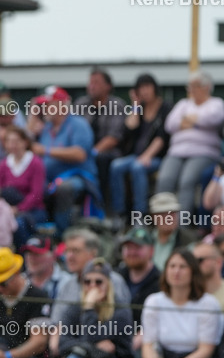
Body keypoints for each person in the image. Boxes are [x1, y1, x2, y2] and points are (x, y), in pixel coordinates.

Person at [29, 87, 99, 235]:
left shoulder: (78, 124)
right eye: (43, 105)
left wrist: (46, 150)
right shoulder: (46, 127)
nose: (44, 108)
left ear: (61, 105)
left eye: (48, 104)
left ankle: (63, 234)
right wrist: (33, 114)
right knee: (34, 186)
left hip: (79, 177)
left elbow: (79, 154)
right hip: (50, 178)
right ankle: (39, 230)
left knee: (64, 188)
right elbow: (25, 141)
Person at [155, 69, 223, 215]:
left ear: (206, 87)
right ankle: (160, 222)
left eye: (195, 86)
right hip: (176, 152)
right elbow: (170, 124)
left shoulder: (216, 103)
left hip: (203, 153)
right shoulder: (183, 103)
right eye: (190, 86)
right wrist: (197, 122)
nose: (191, 90)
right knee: (165, 180)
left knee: (187, 181)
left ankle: (181, 226)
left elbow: (211, 118)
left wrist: (187, 120)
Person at [108, 74, 170, 219]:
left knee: (137, 167)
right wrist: (135, 104)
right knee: (116, 166)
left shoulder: (165, 107)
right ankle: (120, 213)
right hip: (136, 155)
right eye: (141, 88)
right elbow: (130, 127)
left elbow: (162, 137)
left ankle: (139, 215)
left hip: (157, 157)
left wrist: (147, 156)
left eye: (147, 87)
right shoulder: (139, 108)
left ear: (155, 88)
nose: (145, 91)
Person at [74, 67, 127, 202]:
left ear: (108, 86)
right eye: (90, 82)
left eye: (96, 82)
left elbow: (114, 137)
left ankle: (102, 205)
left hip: (108, 152)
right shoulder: (80, 104)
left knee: (101, 160)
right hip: (82, 151)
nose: (92, 86)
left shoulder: (118, 105)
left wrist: (92, 152)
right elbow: (71, 128)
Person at [148, 192, 200, 272]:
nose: (168, 218)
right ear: (153, 217)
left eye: (171, 213)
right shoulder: (145, 238)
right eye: (162, 214)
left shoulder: (189, 240)